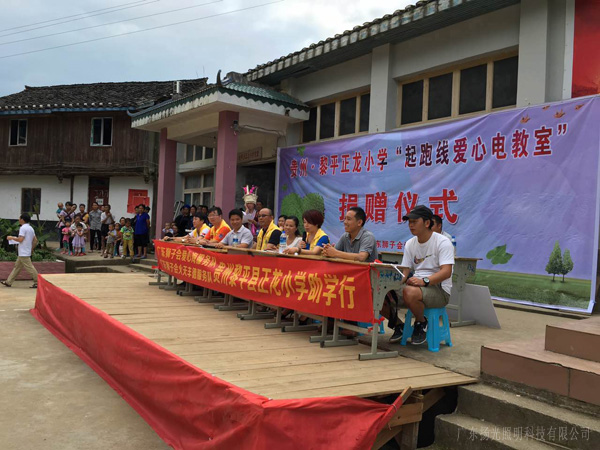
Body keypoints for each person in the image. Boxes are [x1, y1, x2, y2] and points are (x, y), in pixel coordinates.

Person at [384, 205, 455, 346]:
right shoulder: (410, 243)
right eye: (409, 222)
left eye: (414, 221)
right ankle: (399, 326)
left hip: (439, 290)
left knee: (409, 292)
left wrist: (424, 281)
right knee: (378, 293)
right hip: (415, 287)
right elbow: (405, 272)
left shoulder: (443, 242)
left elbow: (446, 271)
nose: (411, 225)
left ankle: (421, 322)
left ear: (427, 223)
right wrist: (391, 285)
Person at [1, 213, 39, 288]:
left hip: (23, 252)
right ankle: (9, 282)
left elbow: (20, 239)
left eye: (19, 218)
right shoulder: (31, 228)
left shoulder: (23, 228)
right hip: (25, 251)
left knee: (29, 267)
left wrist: (11, 238)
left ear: (22, 219)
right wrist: (31, 249)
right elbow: (35, 240)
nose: (19, 219)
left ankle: (38, 281)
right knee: (17, 267)